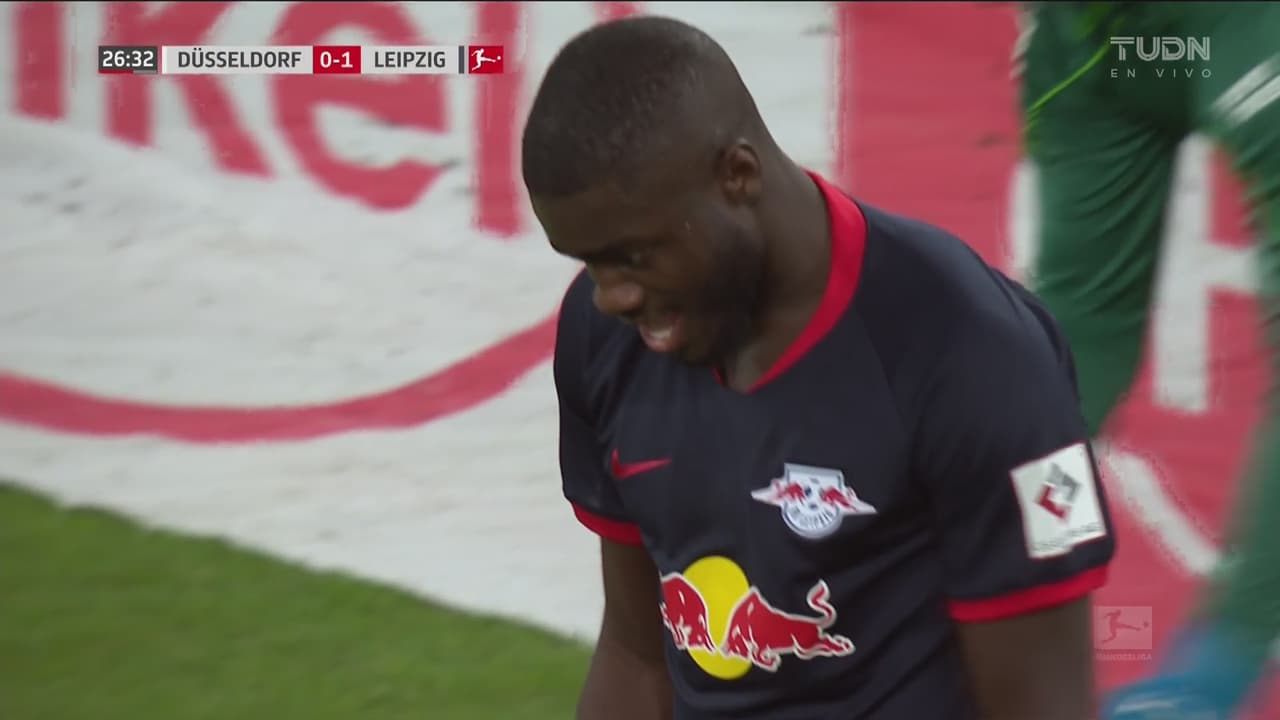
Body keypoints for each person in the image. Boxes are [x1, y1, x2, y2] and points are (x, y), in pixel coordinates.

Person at [524, 15, 1115, 720]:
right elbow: (635, 652)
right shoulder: (604, 337)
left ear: (737, 175)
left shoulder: (980, 357)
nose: (611, 296)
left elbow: (1045, 703)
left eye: (633, 257)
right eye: (590, 263)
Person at [1016, 3, 1280, 718]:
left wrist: (1217, 668)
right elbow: (1089, 332)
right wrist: (1002, 568)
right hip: (1119, 42)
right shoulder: (1075, 42)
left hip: (1228, 25)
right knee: (1070, 338)